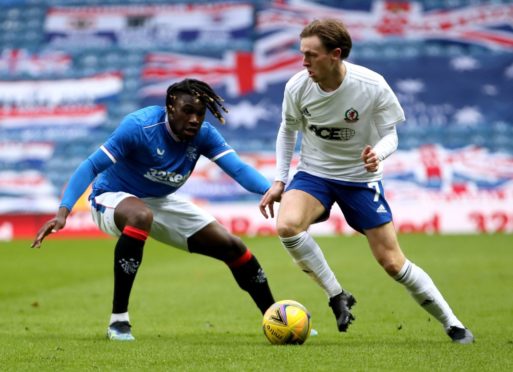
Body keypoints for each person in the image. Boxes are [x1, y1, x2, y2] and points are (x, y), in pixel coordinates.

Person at [259, 18, 473, 344]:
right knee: (287, 226)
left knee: (392, 263)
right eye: (302, 53)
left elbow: (391, 134)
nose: (304, 62)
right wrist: (280, 180)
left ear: (336, 54)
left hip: (360, 178)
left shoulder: (371, 85)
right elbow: (287, 130)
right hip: (315, 173)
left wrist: (379, 154)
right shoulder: (297, 87)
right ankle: (336, 294)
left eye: (311, 55)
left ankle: (453, 323)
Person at [31, 78, 276, 341]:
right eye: (187, 111)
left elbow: (238, 169)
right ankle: (119, 322)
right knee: (140, 215)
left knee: (232, 246)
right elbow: (91, 166)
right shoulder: (140, 126)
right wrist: (63, 212)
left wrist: (273, 191)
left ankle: (276, 318)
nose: (195, 119)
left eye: (200, 113)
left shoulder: (204, 135)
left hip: (159, 200)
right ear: (170, 107)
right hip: (112, 197)